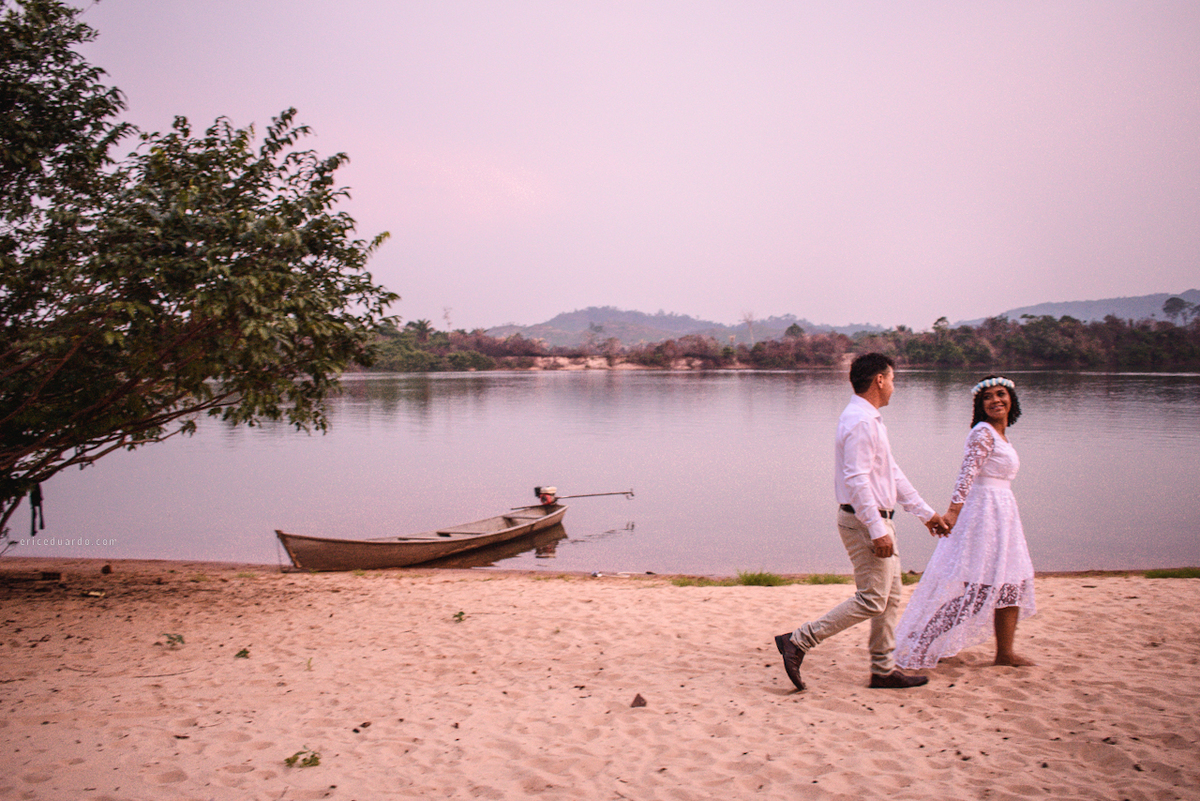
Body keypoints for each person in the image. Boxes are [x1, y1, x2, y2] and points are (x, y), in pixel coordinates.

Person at [775, 353, 946, 691]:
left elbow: (890, 474)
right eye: (892, 379)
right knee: (872, 598)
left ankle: (883, 670)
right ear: (879, 380)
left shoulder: (868, 419)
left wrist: (926, 513)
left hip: (874, 520)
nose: (894, 387)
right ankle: (798, 641)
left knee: (890, 597)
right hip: (865, 522)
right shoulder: (862, 421)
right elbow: (856, 479)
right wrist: (878, 529)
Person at [893, 375, 1037, 669]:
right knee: (980, 588)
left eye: (1001, 394)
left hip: (1004, 514)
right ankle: (923, 641)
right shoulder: (982, 433)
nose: (996, 400)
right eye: (988, 397)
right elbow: (966, 475)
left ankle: (1005, 653)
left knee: (1012, 582)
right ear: (980, 405)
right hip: (983, 515)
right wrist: (952, 514)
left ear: (1011, 400)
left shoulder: (1001, 436)